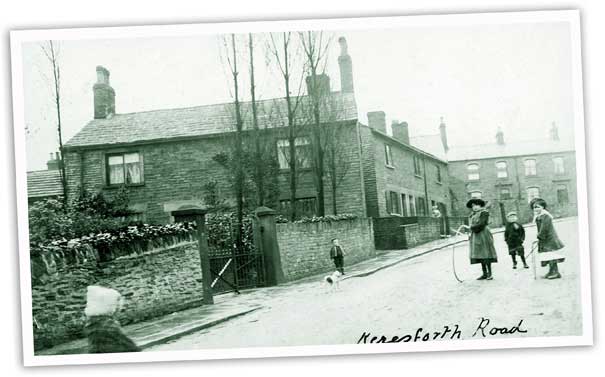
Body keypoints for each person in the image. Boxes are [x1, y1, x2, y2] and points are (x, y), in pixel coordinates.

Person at [84, 285, 141, 353]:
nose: (121, 308)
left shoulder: (92, 324)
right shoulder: (107, 326)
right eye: (117, 306)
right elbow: (127, 347)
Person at [531, 198, 565, 279]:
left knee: (551, 255)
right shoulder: (538, 216)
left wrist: (539, 236)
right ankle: (551, 271)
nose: (536, 209)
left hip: (549, 239)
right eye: (534, 207)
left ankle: (555, 272)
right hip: (545, 239)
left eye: (538, 207)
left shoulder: (546, 216)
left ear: (543, 207)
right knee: (547, 256)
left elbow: (544, 228)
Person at [466, 198, 498, 280]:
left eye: (477, 205)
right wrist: (470, 232)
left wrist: (472, 228)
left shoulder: (484, 213)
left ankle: (490, 273)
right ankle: (484, 273)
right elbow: (472, 225)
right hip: (476, 235)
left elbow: (482, 224)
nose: (475, 207)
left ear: (480, 205)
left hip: (484, 234)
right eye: (473, 206)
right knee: (480, 253)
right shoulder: (472, 215)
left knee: (486, 253)